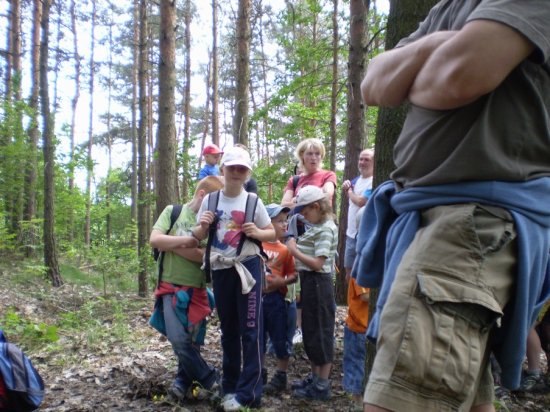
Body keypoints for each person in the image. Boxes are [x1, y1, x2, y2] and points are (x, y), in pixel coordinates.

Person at [355, 2, 550, 412]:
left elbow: (457, 77)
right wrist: (440, 45)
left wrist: (418, 64)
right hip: (444, 225)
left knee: (403, 401)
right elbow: (374, 85)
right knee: (458, 397)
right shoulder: (449, 6)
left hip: (472, 223)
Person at [192, 146, 276, 412]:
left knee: (250, 330)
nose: (237, 172)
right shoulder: (211, 200)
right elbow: (198, 234)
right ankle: (230, 386)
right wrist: (202, 226)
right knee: (228, 331)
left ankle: (249, 393)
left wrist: (257, 233)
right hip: (221, 269)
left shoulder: (253, 201)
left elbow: (272, 233)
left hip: (248, 268)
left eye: (242, 168)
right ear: (223, 169)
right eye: (232, 167)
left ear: (247, 172)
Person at [149, 176, 224, 403]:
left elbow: (206, 255)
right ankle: (211, 380)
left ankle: (181, 385)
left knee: (190, 344)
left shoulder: (214, 223)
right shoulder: (174, 212)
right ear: (202, 195)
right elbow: (154, 240)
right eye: (214, 202)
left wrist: (172, 245)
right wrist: (188, 242)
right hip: (169, 287)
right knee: (178, 340)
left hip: (197, 290)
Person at [281, 138, 337, 345]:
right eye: (309, 154)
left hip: (321, 229)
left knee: (321, 276)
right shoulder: (295, 180)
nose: (313, 158)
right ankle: (299, 328)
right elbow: (284, 204)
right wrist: (301, 201)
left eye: (317, 154)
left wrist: (302, 200)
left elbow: (327, 194)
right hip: (301, 229)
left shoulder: (327, 175)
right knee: (299, 281)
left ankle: (323, 326)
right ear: (302, 156)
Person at [285, 185, 338, 401]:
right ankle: (315, 378)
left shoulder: (326, 229)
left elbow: (318, 263)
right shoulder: (318, 226)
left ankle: (322, 385)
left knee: (321, 331)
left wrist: (294, 250)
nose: (305, 217)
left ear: (317, 207)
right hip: (310, 283)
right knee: (311, 330)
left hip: (319, 284)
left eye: (306, 212)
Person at [261, 204, 298, 395]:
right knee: (257, 336)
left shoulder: (285, 250)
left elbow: (294, 275)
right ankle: (258, 372)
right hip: (256, 298)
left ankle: (281, 375)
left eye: (286, 221)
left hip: (276, 299)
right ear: (267, 223)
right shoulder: (256, 244)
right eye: (279, 221)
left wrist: (281, 281)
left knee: (279, 337)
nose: (284, 225)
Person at [341, 148, 374, 280]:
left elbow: (361, 201)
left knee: (363, 271)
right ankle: (352, 300)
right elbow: (348, 188)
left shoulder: (374, 181)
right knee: (349, 271)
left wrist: (349, 191)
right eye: (361, 159)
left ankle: (364, 301)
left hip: (365, 234)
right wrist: (346, 187)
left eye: (367, 159)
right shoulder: (357, 180)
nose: (362, 162)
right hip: (351, 233)